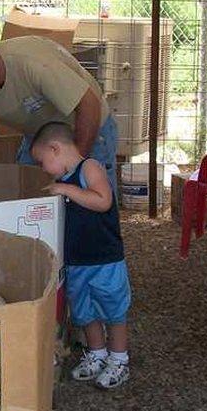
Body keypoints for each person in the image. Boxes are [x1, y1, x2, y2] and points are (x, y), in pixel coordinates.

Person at [0, 37, 117, 202]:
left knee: (94, 206)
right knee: (31, 202)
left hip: (88, 124)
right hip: (39, 137)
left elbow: (89, 105)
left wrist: (73, 171)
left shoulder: (35, 65)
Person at [30, 120, 131, 390]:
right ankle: (97, 353)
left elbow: (103, 201)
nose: (43, 169)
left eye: (42, 162)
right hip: (77, 261)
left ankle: (119, 359)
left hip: (105, 259)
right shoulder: (63, 179)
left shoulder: (90, 167)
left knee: (113, 309)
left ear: (55, 149)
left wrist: (67, 190)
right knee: (84, 311)